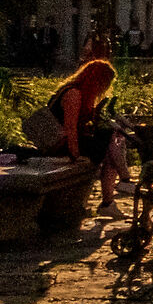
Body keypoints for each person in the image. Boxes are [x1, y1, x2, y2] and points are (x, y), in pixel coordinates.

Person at [51, 58, 127, 217]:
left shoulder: (82, 94)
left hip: (71, 141)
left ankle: (110, 199)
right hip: (61, 144)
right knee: (110, 142)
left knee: (110, 150)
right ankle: (123, 181)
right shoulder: (73, 93)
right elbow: (70, 128)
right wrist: (75, 153)